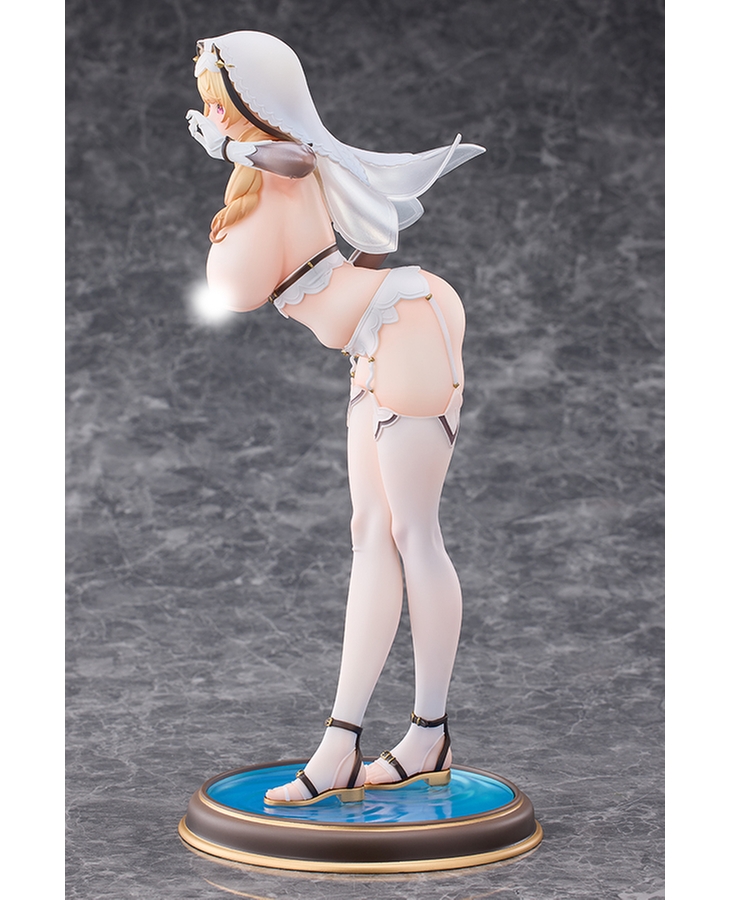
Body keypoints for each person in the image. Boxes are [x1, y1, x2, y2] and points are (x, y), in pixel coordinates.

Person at [186, 31, 485, 806]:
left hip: (405, 323)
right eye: (207, 101)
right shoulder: (262, 174)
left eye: (219, 100)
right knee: (370, 533)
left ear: (254, 101)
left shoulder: (280, 164)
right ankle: (343, 745)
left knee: (413, 532)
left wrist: (230, 151)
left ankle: (427, 733)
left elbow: (290, 168)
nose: (209, 114)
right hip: (372, 339)